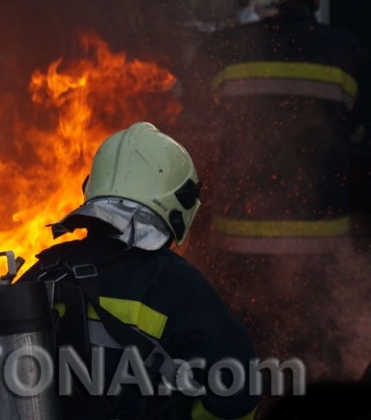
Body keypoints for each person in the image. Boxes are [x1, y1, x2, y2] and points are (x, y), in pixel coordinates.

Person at [180, 0, 371, 384]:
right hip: (324, 261)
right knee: (320, 374)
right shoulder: (347, 53)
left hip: (237, 258)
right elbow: (362, 155)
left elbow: (193, 148)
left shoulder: (221, 52)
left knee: (248, 371)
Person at [20, 121, 261, 420]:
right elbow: (238, 395)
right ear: (179, 204)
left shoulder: (46, 271)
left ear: (91, 189)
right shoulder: (176, 284)